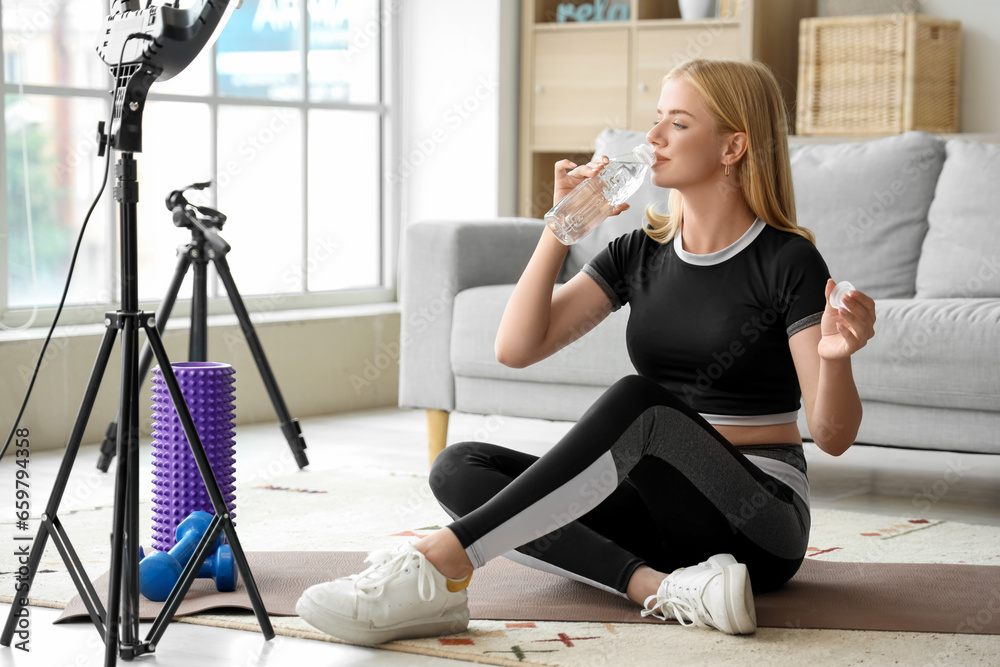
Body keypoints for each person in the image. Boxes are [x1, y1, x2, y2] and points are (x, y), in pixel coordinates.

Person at [296, 58, 877, 645]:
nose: (651, 139)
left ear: (733, 146)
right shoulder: (639, 253)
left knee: (640, 402)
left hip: (759, 521)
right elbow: (516, 348)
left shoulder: (789, 261)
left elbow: (832, 435)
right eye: (656, 120)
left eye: (677, 124)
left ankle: (440, 561)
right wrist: (560, 227)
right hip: (654, 519)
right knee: (460, 467)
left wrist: (835, 356)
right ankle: (659, 588)